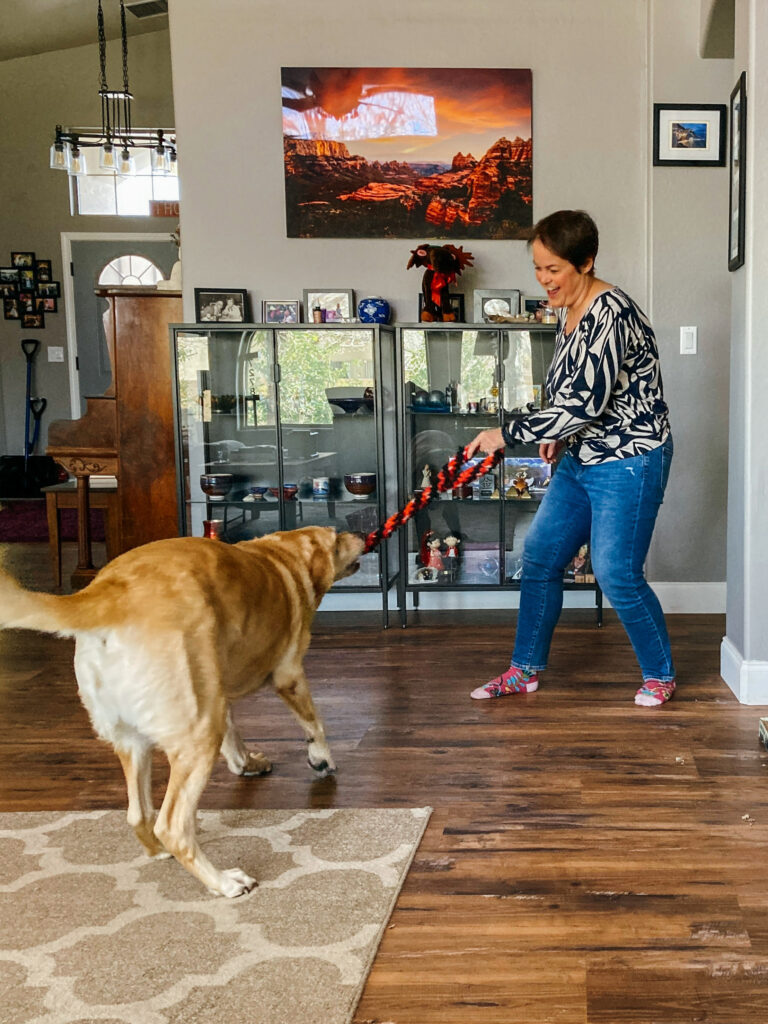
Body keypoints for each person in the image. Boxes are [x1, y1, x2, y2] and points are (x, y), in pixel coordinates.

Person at [466, 209, 675, 708]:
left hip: (631, 458)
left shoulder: (612, 314)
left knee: (616, 573)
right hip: (583, 457)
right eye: (538, 267)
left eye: (553, 269)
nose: (543, 279)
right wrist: (560, 436)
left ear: (586, 263)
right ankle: (525, 670)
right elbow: (573, 395)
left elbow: (584, 405)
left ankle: (660, 675)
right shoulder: (568, 311)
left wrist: (505, 433)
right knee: (539, 556)